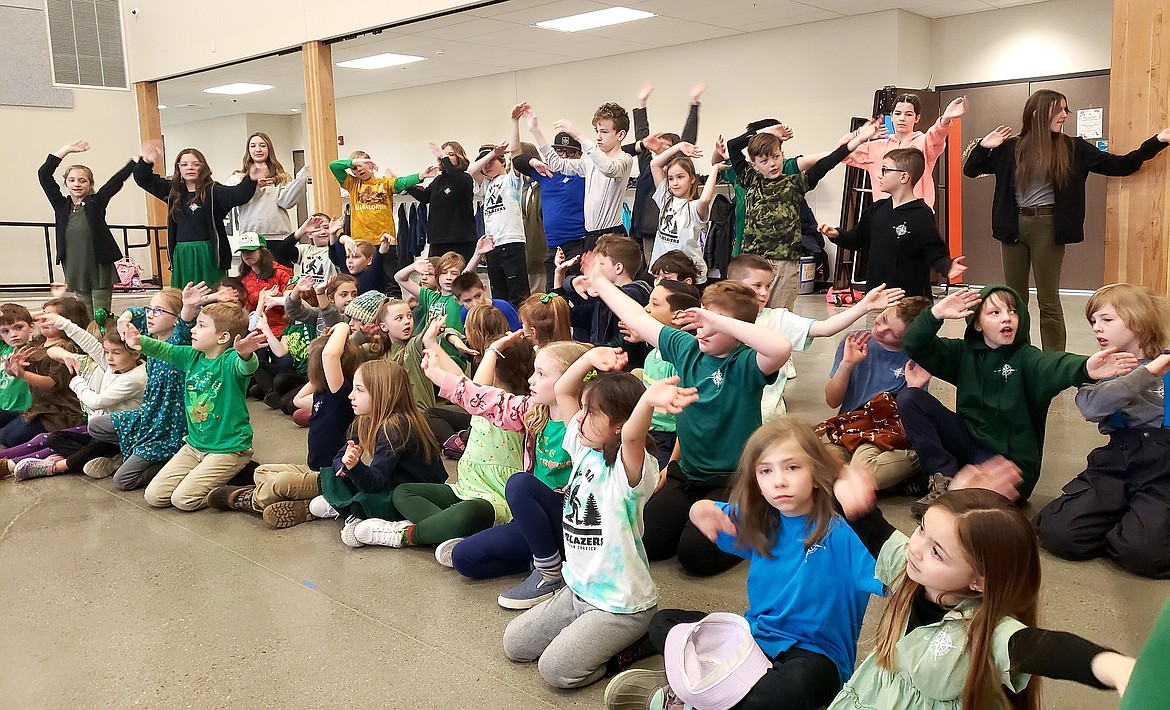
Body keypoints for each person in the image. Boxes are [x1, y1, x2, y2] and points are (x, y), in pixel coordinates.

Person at [605, 419, 886, 710]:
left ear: (816, 473)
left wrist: (868, 518)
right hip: (754, 640)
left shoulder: (845, 533)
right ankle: (708, 690)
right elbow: (711, 512)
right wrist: (698, 508)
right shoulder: (760, 519)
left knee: (791, 689)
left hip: (814, 656)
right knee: (664, 623)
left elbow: (904, 578)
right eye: (766, 470)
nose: (779, 480)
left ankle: (693, 691)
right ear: (757, 482)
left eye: (792, 467)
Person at [826, 487, 1134, 710]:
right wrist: (848, 492)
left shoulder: (985, 631)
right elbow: (872, 527)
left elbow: (1046, 648)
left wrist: (1112, 666)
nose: (916, 548)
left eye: (937, 552)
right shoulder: (910, 571)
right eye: (922, 529)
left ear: (979, 581)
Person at [590, 268, 792, 577]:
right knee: (650, 543)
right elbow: (637, 317)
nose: (703, 332)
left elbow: (781, 348)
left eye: (715, 326)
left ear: (739, 331)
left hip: (733, 481)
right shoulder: (687, 349)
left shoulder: (746, 362)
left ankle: (761, 516)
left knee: (695, 557)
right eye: (702, 322)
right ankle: (703, 516)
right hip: (687, 476)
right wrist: (599, 282)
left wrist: (721, 321)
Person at [503, 346, 684, 690]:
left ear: (618, 425)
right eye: (583, 409)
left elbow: (633, 435)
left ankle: (632, 645)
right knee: (515, 644)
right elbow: (563, 391)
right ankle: (588, 634)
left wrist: (646, 402)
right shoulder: (584, 447)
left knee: (555, 671)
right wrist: (589, 360)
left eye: (592, 412)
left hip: (620, 604)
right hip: (579, 590)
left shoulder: (632, 469)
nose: (579, 418)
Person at [898, 285, 1138, 512]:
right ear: (977, 325)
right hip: (969, 440)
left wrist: (1085, 367)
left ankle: (960, 489)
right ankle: (942, 477)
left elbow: (1054, 364)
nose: (1007, 317)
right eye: (995, 312)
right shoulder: (963, 354)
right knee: (911, 398)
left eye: (1013, 311)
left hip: (1008, 462)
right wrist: (936, 313)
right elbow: (914, 343)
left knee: (968, 509)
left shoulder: (1026, 359)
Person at [963, 89, 1170, 350]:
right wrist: (983, 147)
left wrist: (1159, 140)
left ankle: (1052, 361)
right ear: (1038, 113)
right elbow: (971, 170)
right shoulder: (1010, 147)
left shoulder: (1074, 147)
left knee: (1048, 300)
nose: (1064, 115)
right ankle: (1016, 354)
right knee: (1014, 299)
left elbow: (1121, 165)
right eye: (1059, 109)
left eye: (1065, 109)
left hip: (1047, 228)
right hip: (1012, 227)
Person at [426, 341, 591, 608]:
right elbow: (489, 399)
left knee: (519, 484)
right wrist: (438, 376)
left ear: (569, 381)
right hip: (535, 521)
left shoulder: (585, 423)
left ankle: (549, 573)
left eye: (541, 374)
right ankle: (547, 559)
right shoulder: (534, 411)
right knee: (463, 559)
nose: (530, 379)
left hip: (571, 523)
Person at [356, 326, 535, 552]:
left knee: (468, 513)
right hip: (464, 489)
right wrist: (431, 341)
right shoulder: (482, 397)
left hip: (494, 500)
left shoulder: (514, 407)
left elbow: (476, 391)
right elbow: (465, 384)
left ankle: (407, 535)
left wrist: (491, 351)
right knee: (404, 492)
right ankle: (446, 532)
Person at [1034, 283, 1170, 578]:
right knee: (1059, 533)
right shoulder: (1099, 369)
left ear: (1137, 320)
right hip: (1116, 464)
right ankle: (1133, 518)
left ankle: (1140, 522)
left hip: (1163, 470)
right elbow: (1093, 407)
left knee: (1144, 556)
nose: (1097, 328)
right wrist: (1147, 373)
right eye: (1093, 321)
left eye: (1107, 320)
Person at [207, 322, 362, 528]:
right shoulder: (324, 395)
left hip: (330, 477)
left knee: (279, 485)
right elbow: (298, 400)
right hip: (312, 468)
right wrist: (318, 376)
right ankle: (312, 504)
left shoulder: (342, 395)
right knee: (260, 472)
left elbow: (329, 356)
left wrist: (342, 326)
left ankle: (250, 500)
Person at [726, 118, 884, 312]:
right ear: (754, 164)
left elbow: (825, 165)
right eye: (764, 161)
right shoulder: (749, 180)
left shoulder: (794, 183)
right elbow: (733, 146)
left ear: (782, 154)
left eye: (776, 157)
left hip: (784, 262)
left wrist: (857, 141)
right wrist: (768, 132)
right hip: (754, 261)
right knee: (750, 312)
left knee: (780, 314)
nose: (772, 164)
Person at [725, 254, 904, 420]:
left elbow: (825, 328)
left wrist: (864, 306)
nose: (764, 292)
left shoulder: (778, 319)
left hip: (765, 417)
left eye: (768, 286)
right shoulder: (717, 318)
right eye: (757, 286)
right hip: (725, 412)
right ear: (734, 284)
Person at [124, 302, 266, 511]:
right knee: (154, 496)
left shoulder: (230, 360)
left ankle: (238, 489)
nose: (193, 329)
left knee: (183, 500)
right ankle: (225, 475)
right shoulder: (192, 356)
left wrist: (246, 354)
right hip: (194, 446)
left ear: (223, 337)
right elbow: (164, 349)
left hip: (229, 448)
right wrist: (138, 341)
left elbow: (246, 366)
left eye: (201, 325)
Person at [318, 359, 447, 547]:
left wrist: (354, 466)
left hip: (415, 494)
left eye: (359, 390)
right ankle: (344, 507)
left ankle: (357, 511)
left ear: (381, 394)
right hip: (390, 484)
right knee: (329, 477)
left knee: (363, 500)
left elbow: (375, 483)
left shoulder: (395, 426)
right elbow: (339, 457)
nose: (351, 396)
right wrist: (345, 464)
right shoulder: (364, 420)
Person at [5, 310, 145, 480]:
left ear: (135, 354)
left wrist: (76, 382)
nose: (108, 357)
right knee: (52, 439)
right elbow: (85, 341)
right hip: (96, 428)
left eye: (116, 353)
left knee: (91, 449)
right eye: (106, 352)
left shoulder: (135, 377)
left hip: (121, 434)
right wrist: (60, 321)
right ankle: (110, 459)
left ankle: (57, 466)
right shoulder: (113, 364)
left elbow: (97, 402)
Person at [819, 148, 967, 298]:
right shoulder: (877, 209)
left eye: (885, 170)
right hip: (876, 297)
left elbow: (933, 250)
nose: (879, 175)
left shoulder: (921, 213)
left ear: (904, 177)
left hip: (909, 301)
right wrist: (837, 234)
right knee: (875, 322)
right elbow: (857, 239)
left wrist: (947, 266)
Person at [820, 297, 934, 491]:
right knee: (814, 467)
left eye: (893, 334)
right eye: (883, 319)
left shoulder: (914, 361)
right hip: (848, 429)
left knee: (863, 474)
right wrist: (847, 365)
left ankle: (923, 457)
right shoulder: (854, 340)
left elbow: (906, 429)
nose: (880, 330)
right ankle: (892, 479)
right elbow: (832, 400)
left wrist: (913, 388)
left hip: (882, 435)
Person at [100, 286, 197, 489]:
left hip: (170, 425)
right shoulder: (150, 338)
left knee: (122, 480)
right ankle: (126, 454)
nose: (151, 315)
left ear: (175, 319)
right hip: (149, 415)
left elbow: (186, 321)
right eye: (150, 309)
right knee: (96, 426)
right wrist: (123, 318)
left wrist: (187, 305)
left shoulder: (179, 342)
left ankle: (172, 465)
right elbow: (135, 313)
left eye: (159, 311)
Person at [133, 141, 261, 288]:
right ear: (178, 168)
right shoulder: (172, 191)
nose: (190, 168)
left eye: (196, 164)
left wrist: (251, 179)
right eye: (185, 164)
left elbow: (238, 195)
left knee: (211, 295)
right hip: (183, 254)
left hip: (209, 254)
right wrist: (147, 161)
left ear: (203, 167)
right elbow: (143, 179)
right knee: (183, 298)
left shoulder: (214, 191)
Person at [38, 140, 135, 314]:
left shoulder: (96, 202)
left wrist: (135, 162)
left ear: (90, 184)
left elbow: (115, 182)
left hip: (98, 265)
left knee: (101, 313)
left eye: (82, 181)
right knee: (83, 311)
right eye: (72, 180)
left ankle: (104, 339)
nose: (77, 184)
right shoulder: (61, 205)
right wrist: (66, 150)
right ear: (66, 183)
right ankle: (87, 339)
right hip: (76, 264)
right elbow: (44, 174)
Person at [528, 102, 635, 250]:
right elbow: (557, 164)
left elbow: (608, 169)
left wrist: (578, 136)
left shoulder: (625, 159)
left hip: (612, 235)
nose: (598, 137)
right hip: (590, 236)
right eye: (597, 131)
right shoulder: (590, 163)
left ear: (620, 135)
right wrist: (535, 131)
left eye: (604, 132)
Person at [329, 150, 433, 295]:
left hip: (386, 241)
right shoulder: (352, 184)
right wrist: (354, 162)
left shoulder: (384, 183)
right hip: (362, 244)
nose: (358, 169)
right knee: (364, 282)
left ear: (371, 165)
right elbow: (333, 166)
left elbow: (401, 183)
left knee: (391, 282)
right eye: (355, 168)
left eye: (363, 165)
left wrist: (420, 176)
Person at [839, 93, 968, 209]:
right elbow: (840, 153)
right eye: (898, 113)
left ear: (917, 118)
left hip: (916, 214)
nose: (902, 118)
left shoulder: (923, 143)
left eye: (908, 114)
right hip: (885, 214)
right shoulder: (876, 148)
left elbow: (936, 136)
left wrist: (945, 119)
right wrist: (858, 134)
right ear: (892, 117)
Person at [468, 104, 535, 307]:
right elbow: (471, 171)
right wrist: (490, 154)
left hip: (512, 242)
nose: (487, 166)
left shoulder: (511, 181)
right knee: (499, 298)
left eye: (492, 162)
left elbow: (516, 153)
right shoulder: (486, 184)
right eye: (485, 163)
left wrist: (514, 122)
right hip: (492, 247)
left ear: (502, 161)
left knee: (518, 296)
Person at [623, 82, 702, 251]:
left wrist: (694, 103)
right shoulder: (648, 165)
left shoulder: (675, 167)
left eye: (668, 146)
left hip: (663, 231)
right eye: (661, 144)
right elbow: (642, 136)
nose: (662, 147)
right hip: (641, 228)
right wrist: (641, 104)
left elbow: (688, 137)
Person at [514, 132, 586, 286]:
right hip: (553, 246)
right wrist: (534, 162)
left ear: (579, 154)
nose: (564, 156)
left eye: (570, 152)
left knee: (578, 293)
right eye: (560, 151)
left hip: (577, 243)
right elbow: (517, 161)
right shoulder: (547, 173)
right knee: (552, 295)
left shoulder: (584, 175)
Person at [646, 141, 724, 283]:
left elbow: (705, 201)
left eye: (680, 177)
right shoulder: (665, 198)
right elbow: (654, 165)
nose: (675, 183)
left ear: (692, 178)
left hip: (686, 274)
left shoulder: (694, 208)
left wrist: (715, 169)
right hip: (662, 271)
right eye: (670, 178)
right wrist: (679, 146)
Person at [227, 132, 310, 245]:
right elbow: (230, 198)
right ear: (248, 150)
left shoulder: (281, 177)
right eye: (253, 146)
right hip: (250, 236)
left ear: (269, 149)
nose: (258, 149)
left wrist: (301, 178)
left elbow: (286, 203)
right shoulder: (238, 178)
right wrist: (252, 185)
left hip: (278, 236)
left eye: (262, 145)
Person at [407, 141, 478, 262]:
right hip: (438, 239)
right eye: (443, 155)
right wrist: (405, 184)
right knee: (435, 275)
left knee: (459, 277)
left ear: (459, 157)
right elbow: (424, 197)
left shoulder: (465, 178)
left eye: (451, 154)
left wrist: (443, 157)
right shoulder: (438, 180)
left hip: (460, 239)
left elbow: (456, 178)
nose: (444, 157)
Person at [235, 232, 293, 337]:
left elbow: (293, 304)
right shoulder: (244, 279)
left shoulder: (281, 273)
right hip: (256, 332)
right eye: (243, 252)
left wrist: (275, 298)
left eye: (251, 251)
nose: (246, 254)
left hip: (282, 331)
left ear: (263, 251)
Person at [451, 272, 522, 332]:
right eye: (468, 300)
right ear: (458, 301)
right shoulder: (465, 313)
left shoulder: (504, 308)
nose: (475, 304)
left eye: (478, 296)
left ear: (484, 289)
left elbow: (519, 334)